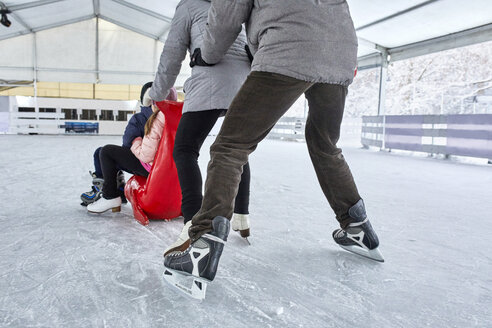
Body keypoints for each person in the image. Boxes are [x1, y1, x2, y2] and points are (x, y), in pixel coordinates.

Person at [163, 0, 384, 298]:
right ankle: (357, 226)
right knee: (325, 144)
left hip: (287, 50)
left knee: (230, 147)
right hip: (340, 55)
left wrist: (208, 53)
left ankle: (202, 244)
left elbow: (225, 17)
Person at [143, 0, 252, 255]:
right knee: (235, 151)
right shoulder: (235, 5)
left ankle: (193, 220)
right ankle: (242, 215)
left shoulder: (189, 6)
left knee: (185, 150)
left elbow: (172, 54)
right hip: (245, 85)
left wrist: (156, 94)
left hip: (210, 81)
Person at [87, 88, 178, 213]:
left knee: (105, 152)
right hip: (174, 169)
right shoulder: (178, 116)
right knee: (104, 153)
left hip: (153, 166)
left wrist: (136, 142)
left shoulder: (154, 119)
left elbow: (131, 146)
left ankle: (110, 194)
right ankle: (113, 187)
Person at [80, 82, 159, 206]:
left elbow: (127, 143)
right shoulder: (168, 116)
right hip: (163, 165)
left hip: (146, 163)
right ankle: (119, 186)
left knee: (104, 152)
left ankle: (107, 191)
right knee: (106, 153)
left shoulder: (140, 118)